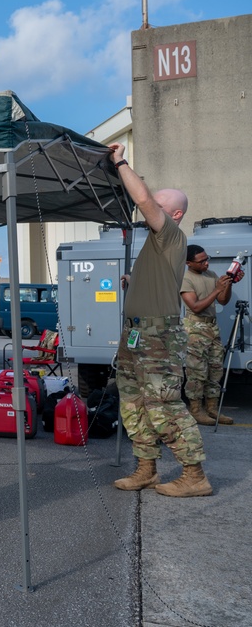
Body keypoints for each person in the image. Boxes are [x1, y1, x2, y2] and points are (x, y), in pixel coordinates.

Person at [108, 142, 212, 498]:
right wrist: (131, 283)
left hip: (157, 336)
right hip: (136, 333)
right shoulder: (155, 243)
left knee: (164, 404)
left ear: (176, 214)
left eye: (160, 205)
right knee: (133, 401)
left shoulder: (170, 233)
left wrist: (121, 162)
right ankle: (146, 469)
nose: (151, 207)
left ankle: (194, 475)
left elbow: (144, 201)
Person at [180, 244, 237, 426]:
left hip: (212, 328)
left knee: (215, 370)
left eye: (207, 258)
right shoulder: (186, 279)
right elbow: (195, 306)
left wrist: (227, 285)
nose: (206, 263)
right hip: (195, 328)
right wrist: (216, 289)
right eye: (201, 261)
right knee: (197, 373)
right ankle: (196, 410)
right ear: (189, 263)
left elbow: (222, 300)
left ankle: (212, 409)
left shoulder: (210, 275)